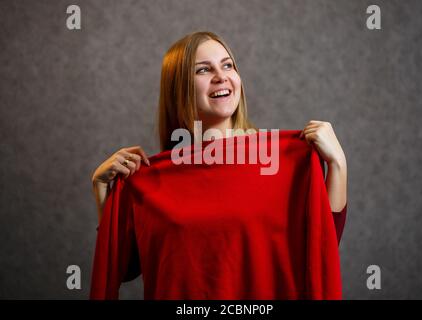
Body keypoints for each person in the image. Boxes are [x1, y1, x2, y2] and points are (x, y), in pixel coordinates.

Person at [90, 31, 348, 298]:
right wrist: (102, 191)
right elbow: (125, 268)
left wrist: (337, 164)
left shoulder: (284, 161)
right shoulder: (151, 183)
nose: (221, 76)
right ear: (179, 88)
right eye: (203, 69)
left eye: (227, 65)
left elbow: (322, 248)